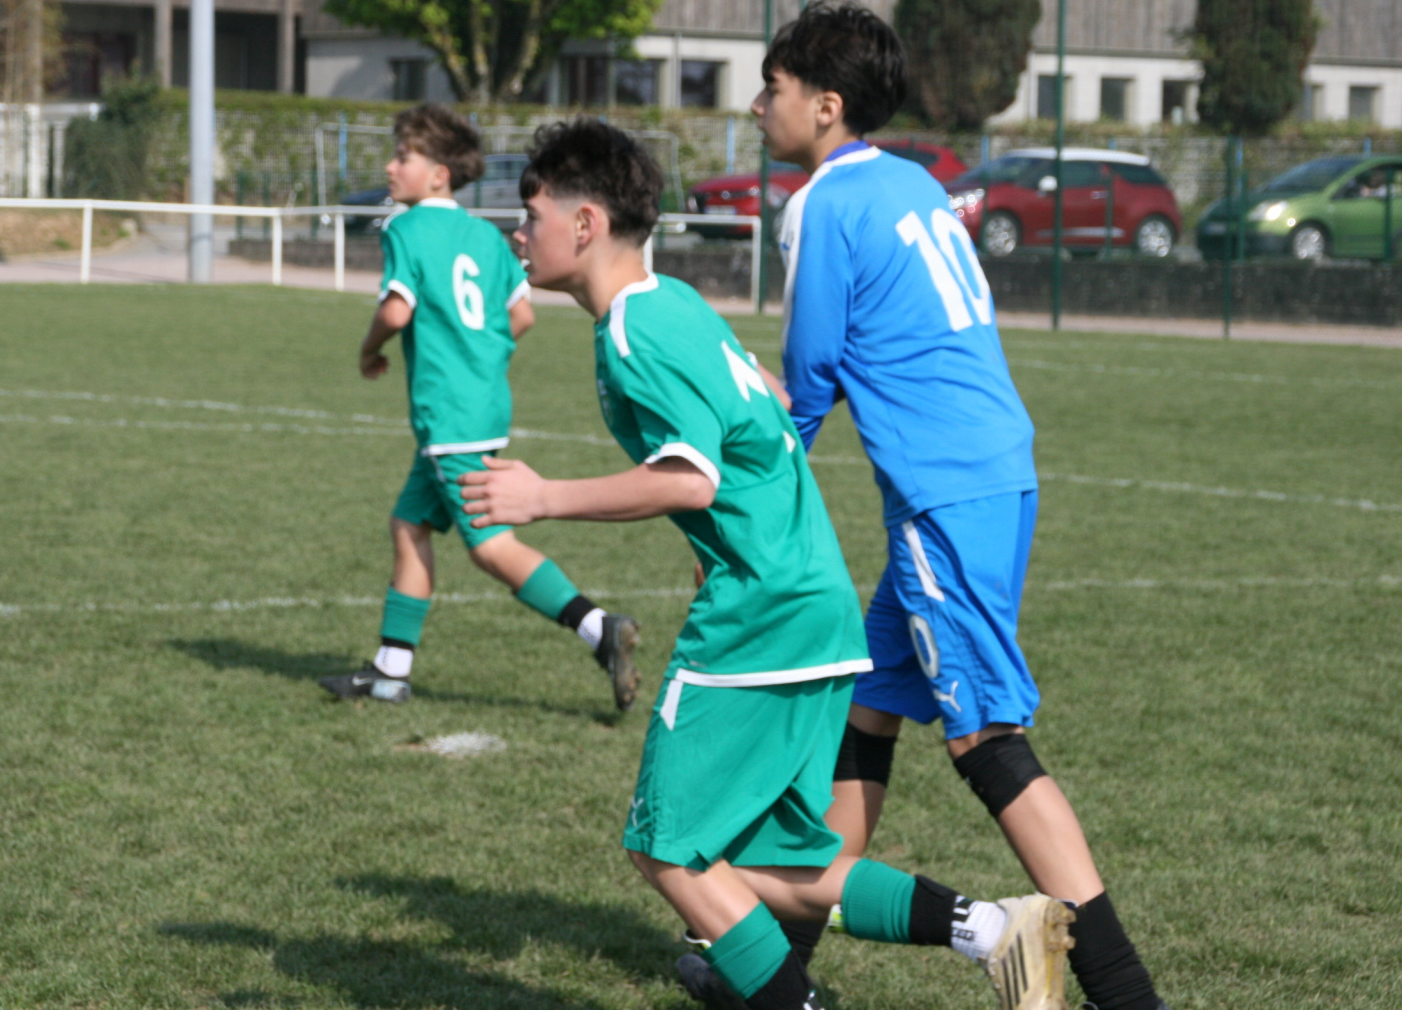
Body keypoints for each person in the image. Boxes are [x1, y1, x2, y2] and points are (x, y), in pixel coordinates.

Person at [460, 118, 1074, 1010]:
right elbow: (766, 419)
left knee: (664, 848)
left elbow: (690, 478)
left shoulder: (635, 331)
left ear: (584, 224)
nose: (518, 234)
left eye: (530, 214)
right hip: (815, 606)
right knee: (775, 861)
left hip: (759, 615)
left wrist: (543, 496)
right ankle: (994, 930)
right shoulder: (673, 304)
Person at [762, 0, 1166, 1010]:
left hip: (943, 490)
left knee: (983, 735)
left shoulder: (822, 202)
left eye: (771, 89)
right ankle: (778, 968)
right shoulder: (911, 181)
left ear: (825, 104)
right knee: (868, 704)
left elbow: (809, 377)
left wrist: (757, 498)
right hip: (994, 469)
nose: (758, 108)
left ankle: (1126, 996)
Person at [318, 104, 639, 709]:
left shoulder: (407, 230)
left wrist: (369, 349)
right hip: (480, 409)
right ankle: (390, 671)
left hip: (449, 418)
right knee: (409, 524)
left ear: (438, 174)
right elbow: (522, 315)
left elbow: (396, 311)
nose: (390, 167)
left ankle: (598, 628)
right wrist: (480, 357)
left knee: (490, 546)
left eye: (403, 157)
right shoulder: (487, 237)